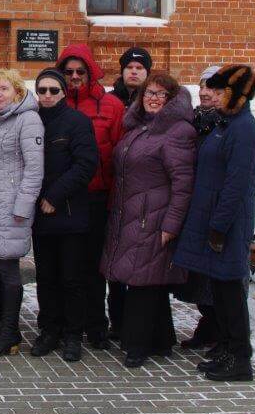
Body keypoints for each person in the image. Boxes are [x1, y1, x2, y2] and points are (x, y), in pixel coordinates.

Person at [101, 71, 196, 368]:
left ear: (171, 100)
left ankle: (136, 345)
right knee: (148, 278)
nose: (153, 100)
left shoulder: (178, 131)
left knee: (143, 281)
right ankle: (162, 340)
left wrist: (171, 223)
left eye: (160, 95)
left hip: (154, 217)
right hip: (132, 213)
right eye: (148, 94)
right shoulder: (140, 127)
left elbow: (183, 183)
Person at [174, 65, 255, 382]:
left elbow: (237, 185)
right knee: (221, 295)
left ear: (237, 94)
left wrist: (219, 227)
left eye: (222, 91)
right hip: (214, 222)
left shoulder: (243, 129)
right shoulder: (226, 124)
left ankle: (240, 358)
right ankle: (225, 348)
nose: (216, 95)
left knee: (231, 294)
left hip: (227, 226)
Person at [55, 43, 125, 348]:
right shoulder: (52, 103)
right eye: (68, 72)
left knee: (94, 266)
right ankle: (66, 323)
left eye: (80, 71)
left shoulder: (110, 106)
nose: (74, 77)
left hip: (96, 196)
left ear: (90, 73)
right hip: (62, 198)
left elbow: (119, 153)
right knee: (66, 266)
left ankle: (97, 326)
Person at [31, 68, 99, 362]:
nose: (47, 95)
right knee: (46, 278)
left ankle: (73, 335)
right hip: (40, 215)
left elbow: (86, 165)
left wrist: (55, 196)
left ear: (62, 93)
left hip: (69, 214)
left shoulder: (77, 122)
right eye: (42, 90)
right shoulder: (31, 122)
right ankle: (49, 330)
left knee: (72, 278)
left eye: (53, 90)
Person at [0, 69, 43, 356]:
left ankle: (10, 332)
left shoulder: (28, 119)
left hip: (12, 207)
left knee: (8, 269)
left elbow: (34, 169)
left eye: (4, 89)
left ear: (17, 91)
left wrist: (22, 207)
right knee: (0, 267)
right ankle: (6, 329)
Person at [175, 65, 224, 351]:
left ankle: (222, 330)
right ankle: (210, 324)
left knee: (216, 275)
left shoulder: (230, 125)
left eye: (213, 88)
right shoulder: (197, 121)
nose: (204, 92)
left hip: (217, 210)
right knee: (199, 275)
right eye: (203, 86)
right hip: (196, 206)